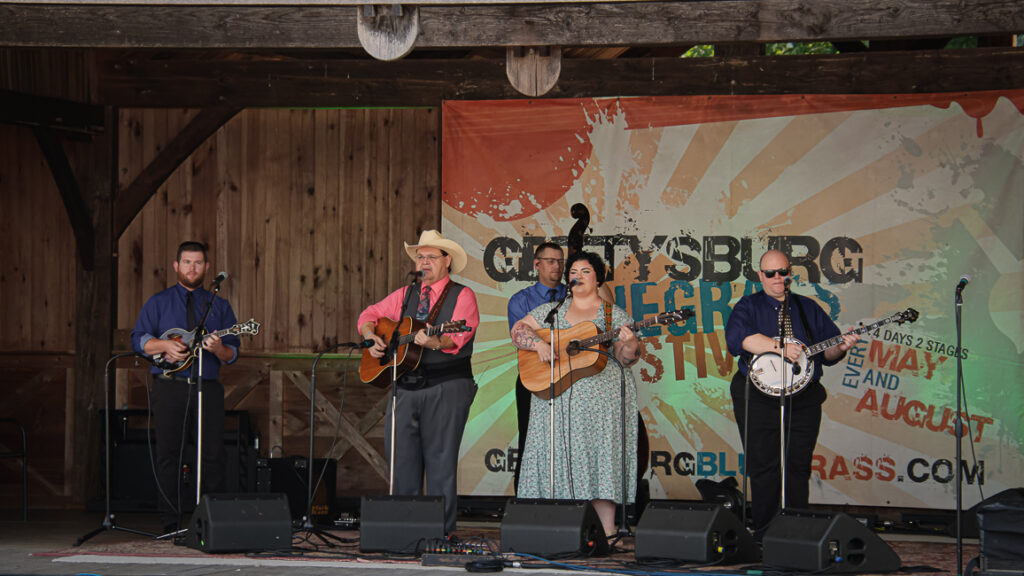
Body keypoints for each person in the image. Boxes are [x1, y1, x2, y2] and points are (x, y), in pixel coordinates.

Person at [724, 249, 860, 540]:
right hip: (757, 397)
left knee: (797, 465)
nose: (777, 278)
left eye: (782, 272)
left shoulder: (807, 308)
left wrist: (842, 346)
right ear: (760, 276)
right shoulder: (748, 306)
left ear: (790, 273)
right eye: (770, 273)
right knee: (764, 467)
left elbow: (829, 352)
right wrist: (778, 347)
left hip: (803, 398)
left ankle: (798, 534)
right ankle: (766, 535)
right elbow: (737, 340)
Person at [357, 229, 479, 534]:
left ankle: (440, 532)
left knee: (440, 463)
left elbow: (459, 337)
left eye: (430, 257)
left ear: (447, 260)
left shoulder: (462, 295)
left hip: (447, 384)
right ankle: (403, 531)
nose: (423, 262)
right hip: (406, 385)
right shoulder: (406, 294)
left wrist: (433, 341)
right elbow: (369, 314)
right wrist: (371, 336)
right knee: (402, 463)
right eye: (420, 257)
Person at [510, 251, 639, 537]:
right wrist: (537, 344)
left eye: (585, 271)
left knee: (600, 460)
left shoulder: (613, 314)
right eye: (573, 272)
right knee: (559, 457)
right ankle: (555, 531)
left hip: (601, 405)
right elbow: (518, 330)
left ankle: (605, 535)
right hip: (556, 403)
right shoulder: (551, 311)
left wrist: (629, 345)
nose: (577, 276)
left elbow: (627, 359)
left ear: (597, 279)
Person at [130, 241, 240, 535]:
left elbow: (232, 354)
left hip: (208, 387)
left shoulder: (220, 306)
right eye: (187, 262)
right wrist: (165, 344)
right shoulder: (158, 303)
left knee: (213, 454)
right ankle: (170, 521)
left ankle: (211, 518)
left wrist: (218, 349)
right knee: (169, 454)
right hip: (169, 387)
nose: (193, 268)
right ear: (176, 266)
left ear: (206, 267)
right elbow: (138, 340)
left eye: (199, 263)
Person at [506, 241, 566, 494]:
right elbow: (518, 336)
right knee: (529, 437)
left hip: (569, 376)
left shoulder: (574, 295)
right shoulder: (521, 300)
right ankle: (526, 498)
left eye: (561, 261)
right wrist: (541, 343)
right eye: (551, 261)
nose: (557, 266)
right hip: (533, 377)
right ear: (537, 264)